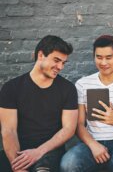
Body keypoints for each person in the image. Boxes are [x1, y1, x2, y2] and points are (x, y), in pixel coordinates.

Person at [60, 35, 113, 172]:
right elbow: (79, 124)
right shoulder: (82, 84)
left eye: (108, 57)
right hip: (91, 141)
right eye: (99, 57)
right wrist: (93, 145)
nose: (103, 62)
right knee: (68, 164)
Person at [0, 35, 78, 172]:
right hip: (18, 150)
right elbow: (9, 131)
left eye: (63, 62)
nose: (60, 67)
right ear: (41, 55)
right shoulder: (11, 88)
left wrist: (38, 152)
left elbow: (69, 129)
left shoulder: (68, 89)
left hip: (50, 151)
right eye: (56, 60)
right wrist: (17, 166)